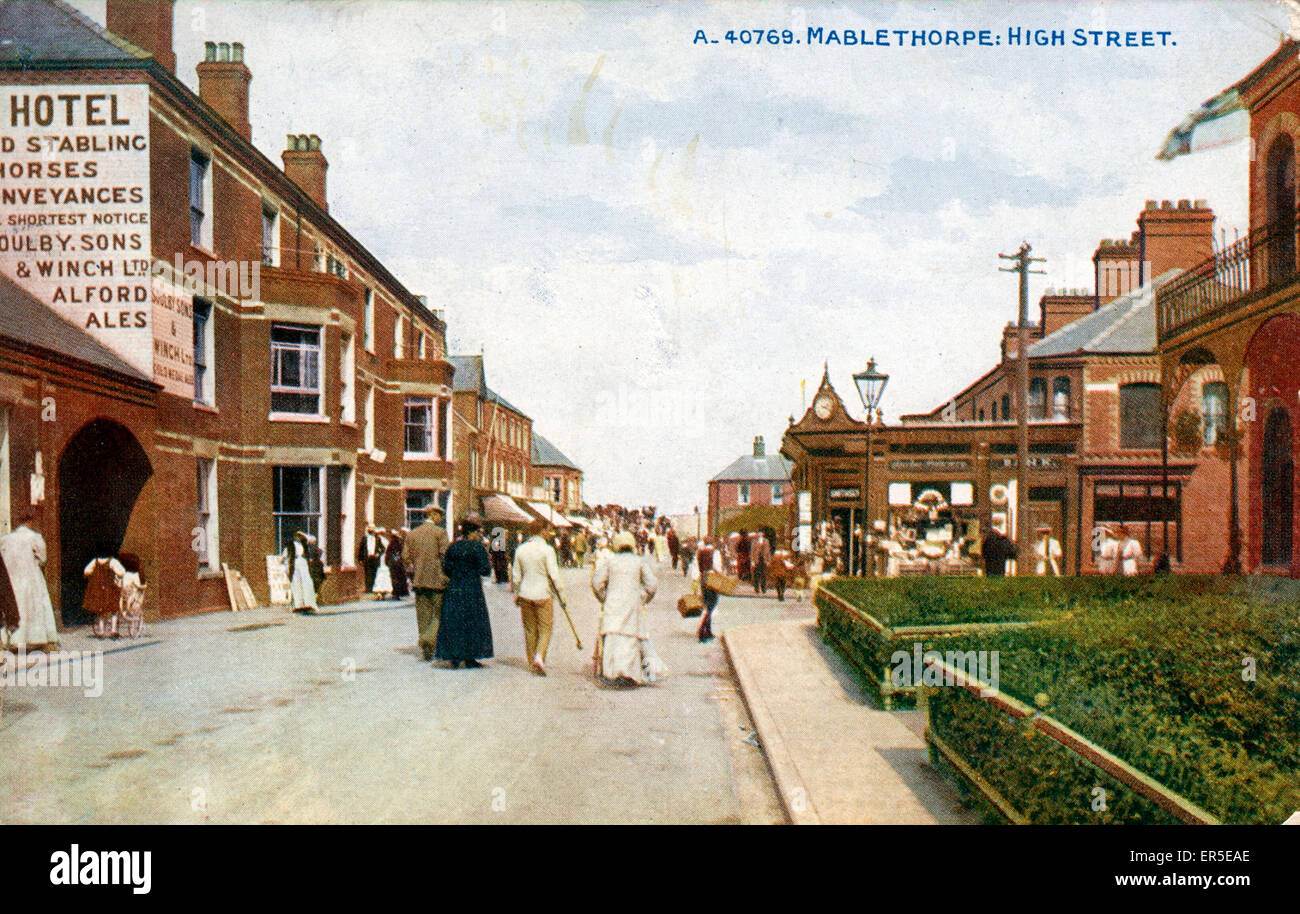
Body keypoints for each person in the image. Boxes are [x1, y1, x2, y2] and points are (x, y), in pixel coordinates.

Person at [591, 531, 666, 686]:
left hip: (613, 604)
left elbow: (597, 583)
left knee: (613, 637)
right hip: (632, 605)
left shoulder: (610, 561)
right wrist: (643, 598)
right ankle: (630, 674)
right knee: (631, 638)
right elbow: (652, 584)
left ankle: (611, 674)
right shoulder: (639, 562)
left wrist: (605, 597)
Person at [436, 518, 495, 669]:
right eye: (477, 532)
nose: (479, 535)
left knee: (454, 621)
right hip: (472, 589)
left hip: (454, 588)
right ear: (472, 533)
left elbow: (447, 568)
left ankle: (454, 656)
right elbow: (485, 570)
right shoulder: (477, 548)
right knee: (472, 622)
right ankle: (470, 657)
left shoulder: (453, 547)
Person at [511, 521, 566, 676]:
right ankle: (539, 657)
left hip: (525, 594)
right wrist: (562, 596)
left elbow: (516, 576)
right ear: (542, 531)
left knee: (529, 629)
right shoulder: (547, 550)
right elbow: (554, 576)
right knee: (545, 628)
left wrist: (516, 594)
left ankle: (531, 662)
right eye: (548, 531)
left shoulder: (520, 549)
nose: (550, 534)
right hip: (543, 594)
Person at [0, 517, 59, 652]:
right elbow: (43, 558)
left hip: (12, 578)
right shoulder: (34, 537)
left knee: (15, 606)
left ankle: (13, 639)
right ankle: (39, 639)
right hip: (31, 577)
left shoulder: (5, 539)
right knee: (35, 606)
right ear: (29, 523)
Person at [404, 504, 450, 661]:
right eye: (439, 515)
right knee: (438, 614)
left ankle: (427, 650)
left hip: (419, 581)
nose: (441, 518)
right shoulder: (440, 533)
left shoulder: (412, 534)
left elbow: (405, 558)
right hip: (437, 581)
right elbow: (445, 557)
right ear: (433, 515)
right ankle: (428, 639)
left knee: (423, 615)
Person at [691, 536, 725, 642]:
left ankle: (708, 630)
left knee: (706, 603)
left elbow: (697, 567)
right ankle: (702, 630)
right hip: (712, 578)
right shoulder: (715, 553)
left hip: (703, 578)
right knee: (712, 604)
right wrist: (722, 576)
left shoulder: (700, 552)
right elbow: (716, 567)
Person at [84, 554, 125, 638]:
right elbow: (121, 572)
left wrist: (95, 574)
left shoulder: (95, 562)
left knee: (101, 611)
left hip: (98, 589)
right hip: (110, 589)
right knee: (114, 609)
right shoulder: (112, 561)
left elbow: (86, 571)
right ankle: (113, 630)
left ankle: (101, 631)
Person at [283, 531, 318, 614]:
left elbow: (313, 540)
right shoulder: (290, 545)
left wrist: (304, 535)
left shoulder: (305, 544)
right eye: (296, 536)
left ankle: (309, 604)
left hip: (304, 562)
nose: (298, 538)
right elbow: (285, 556)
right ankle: (298, 605)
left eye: (299, 536)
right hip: (294, 563)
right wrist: (286, 566)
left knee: (307, 583)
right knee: (296, 583)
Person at [385, 528, 410, 599]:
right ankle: (399, 592)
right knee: (399, 578)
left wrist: (388, 561)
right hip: (399, 563)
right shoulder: (399, 543)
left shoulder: (392, 544)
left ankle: (396, 593)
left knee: (395, 578)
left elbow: (388, 554)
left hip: (394, 563)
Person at [360, 525, 384, 593]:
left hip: (375, 558)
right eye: (370, 528)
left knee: (374, 573)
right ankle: (368, 589)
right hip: (367, 558)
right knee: (367, 573)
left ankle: (373, 588)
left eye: (372, 528)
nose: (371, 530)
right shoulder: (364, 538)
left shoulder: (377, 538)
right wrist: (360, 559)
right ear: (368, 530)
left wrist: (378, 553)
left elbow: (383, 548)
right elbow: (361, 549)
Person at [371, 529, 394, 598]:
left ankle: (381, 589)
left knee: (381, 572)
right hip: (382, 558)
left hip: (382, 558)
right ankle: (383, 589)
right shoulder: (384, 540)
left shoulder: (380, 540)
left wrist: (379, 553)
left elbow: (384, 549)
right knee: (382, 572)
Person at [751, 530, 771, 595]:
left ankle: (763, 588)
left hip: (763, 560)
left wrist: (768, 560)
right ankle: (756, 588)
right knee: (756, 575)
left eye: (761, 533)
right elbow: (752, 552)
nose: (760, 534)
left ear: (763, 534)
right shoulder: (754, 541)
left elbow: (768, 551)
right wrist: (752, 561)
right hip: (757, 560)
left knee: (763, 575)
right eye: (758, 533)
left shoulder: (766, 541)